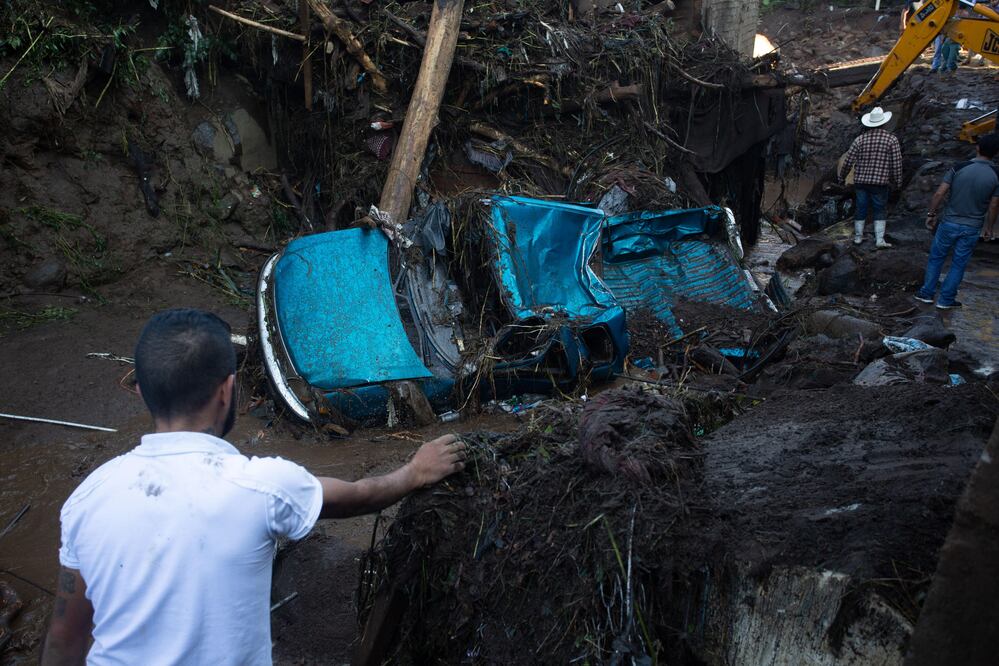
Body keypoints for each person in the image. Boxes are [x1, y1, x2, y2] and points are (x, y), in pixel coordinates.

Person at [40, 309, 467, 665]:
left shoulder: (88, 497)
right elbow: (360, 496)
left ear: (143, 394)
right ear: (227, 391)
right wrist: (414, 472)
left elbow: (64, 639)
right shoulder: (262, 486)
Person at [915, 134, 999, 309]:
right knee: (959, 264)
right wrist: (989, 228)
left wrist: (931, 213)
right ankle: (946, 300)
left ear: (977, 148)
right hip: (972, 227)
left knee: (936, 258)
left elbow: (939, 193)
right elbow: (994, 205)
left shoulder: (959, 167)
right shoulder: (996, 174)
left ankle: (927, 293)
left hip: (949, 222)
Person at [839, 106, 904, 248]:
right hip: (880, 182)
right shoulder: (891, 140)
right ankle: (879, 240)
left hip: (861, 181)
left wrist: (842, 177)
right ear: (884, 123)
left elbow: (848, 161)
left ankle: (858, 237)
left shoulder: (860, 139)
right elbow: (896, 164)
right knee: (879, 209)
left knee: (861, 207)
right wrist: (898, 182)